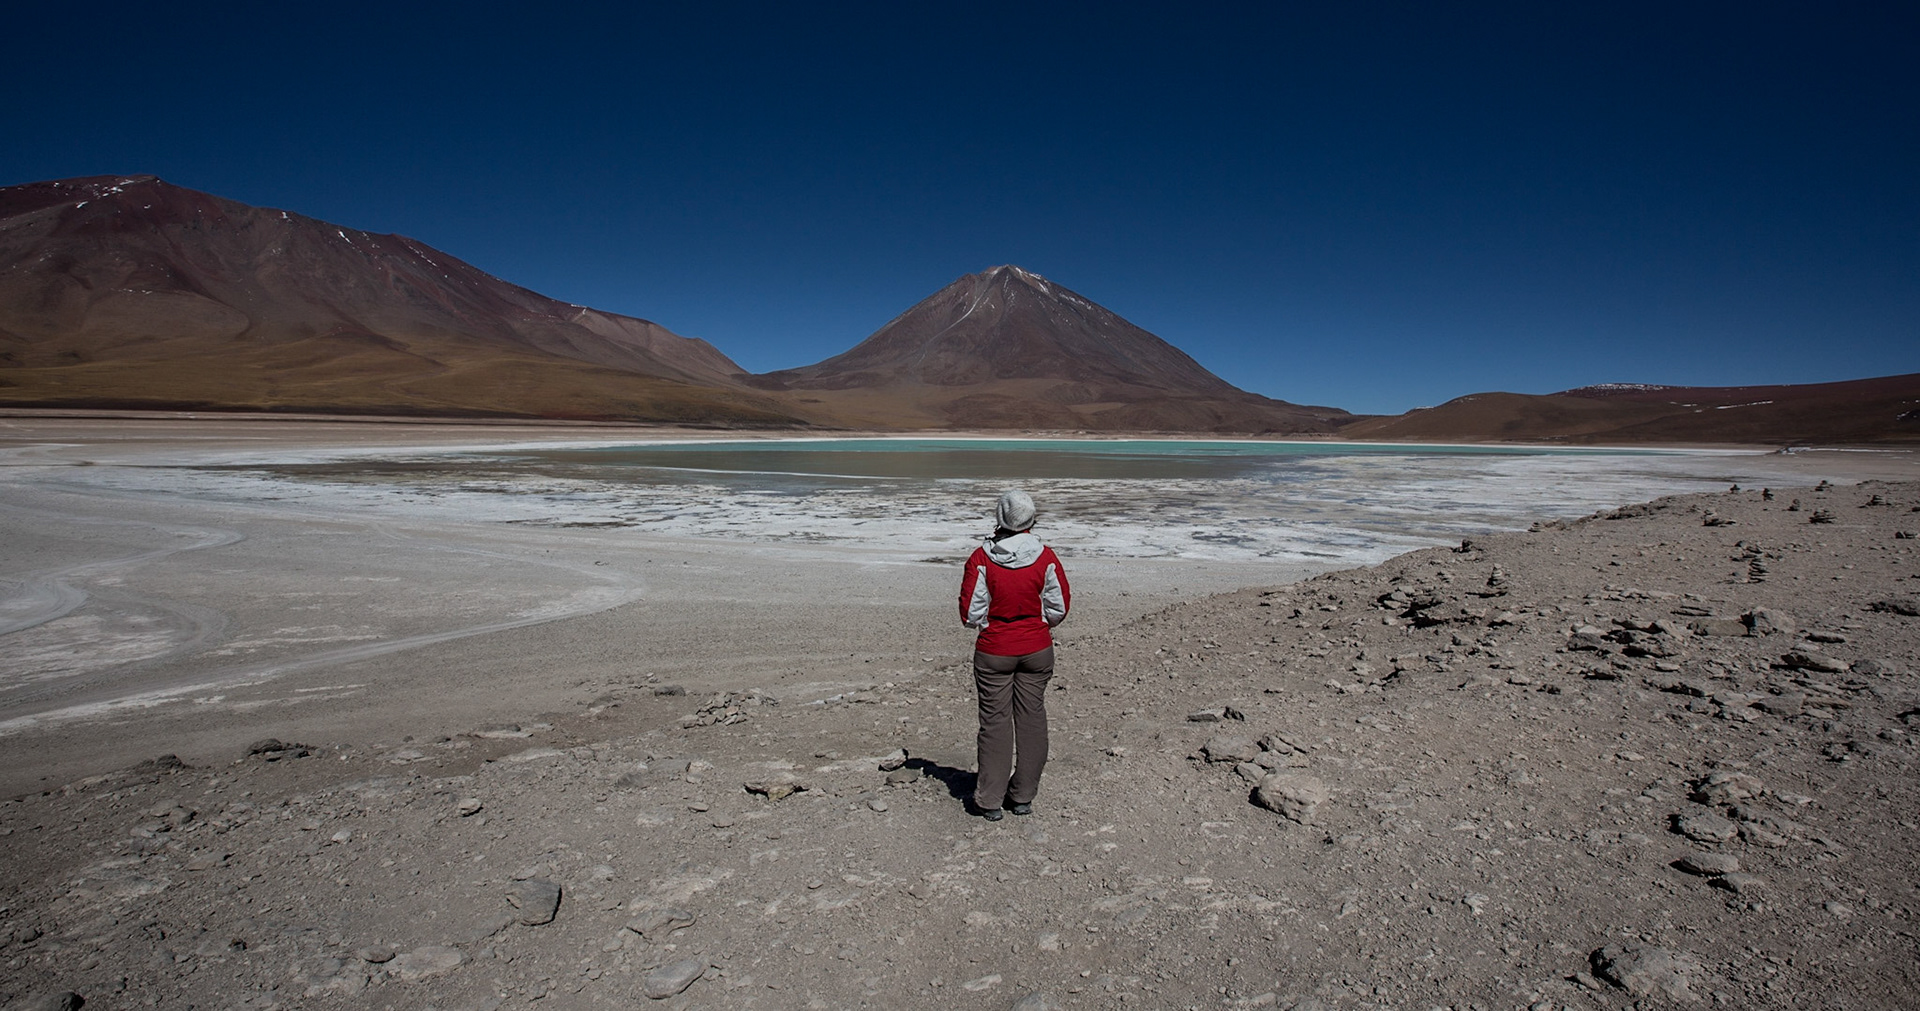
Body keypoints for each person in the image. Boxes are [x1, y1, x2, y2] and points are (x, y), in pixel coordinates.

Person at [957, 489, 1071, 821]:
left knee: (995, 723)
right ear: (1031, 520)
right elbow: (1059, 607)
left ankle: (990, 800)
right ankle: (1022, 796)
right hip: (1037, 649)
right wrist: (1039, 625)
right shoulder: (1046, 556)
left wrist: (987, 625)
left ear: (1000, 520)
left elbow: (969, 613)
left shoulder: (981, 558)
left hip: (994, 651)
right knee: (1032, 719)